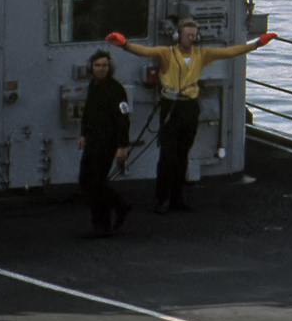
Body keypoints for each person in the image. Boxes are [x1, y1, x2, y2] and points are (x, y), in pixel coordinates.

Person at [107, 21, 276, 214]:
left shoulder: (202, 54)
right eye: (188, 34)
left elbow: (229, 52)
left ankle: (177, 198)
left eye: (194, 35)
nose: (191, 38)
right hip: (171, 106)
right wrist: (124, 45)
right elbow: (144, 51)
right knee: (167, 155)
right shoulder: (166, 53)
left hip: (190, 106)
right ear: (179, 36)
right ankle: (162, 199)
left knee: (182, 154)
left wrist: (257, 45)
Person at [78, 50, 132, 238]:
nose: (101, 69)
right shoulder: (93, 85)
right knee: (86, 181)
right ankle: (120, 205)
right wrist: (83, 133)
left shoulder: (116, 90)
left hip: (108, 142)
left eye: (104, 66)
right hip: (93, 140)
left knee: (95, 184)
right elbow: (89, 111)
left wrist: (122, 146)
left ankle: (102, 225)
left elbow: (123, 119)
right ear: (91, 68)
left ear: (110, 68)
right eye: (97, 65)